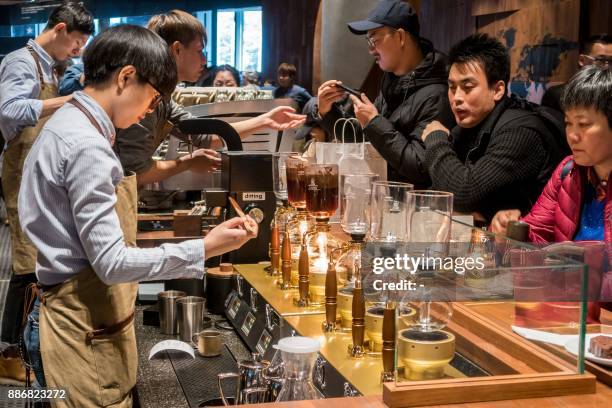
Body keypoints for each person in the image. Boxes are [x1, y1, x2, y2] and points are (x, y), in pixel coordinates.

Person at [19, 24, 258, 406]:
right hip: (79, 327)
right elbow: (112, 264)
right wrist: (204, 247)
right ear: (126, 76)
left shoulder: (70, 125)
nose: (151, 110)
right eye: (151, 98)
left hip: (67, 314)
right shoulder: (87, 146)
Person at [0, 2, 93, 384]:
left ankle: (25, 350)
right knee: (25, 263)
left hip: (37, 169)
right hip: (20, 170)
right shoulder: (21, 62)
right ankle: (8, 355)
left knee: (34, 260)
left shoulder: (48, 66)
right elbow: (9, 110)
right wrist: (71, 100)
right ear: (58, 29)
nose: (78, 50)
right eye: (76, 41)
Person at [115, 10, 305, 187]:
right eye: (200, 51)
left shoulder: (163, 99)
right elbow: (136, 173)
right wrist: (187, 163)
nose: (205, 60)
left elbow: (206, 136)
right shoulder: (143, 97)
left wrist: (265, 120)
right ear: (177, 50)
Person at [492, 66, 612, 318]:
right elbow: (537, 236)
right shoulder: (567, 171)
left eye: (584, 124)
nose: (572, 135)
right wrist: (512, 232)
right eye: (568, 123)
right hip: (567, 312)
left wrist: (569, 284)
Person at [421, 33, 565, 223]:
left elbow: (464, 194)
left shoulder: (522, 131)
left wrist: (437, 139)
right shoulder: (469, 126)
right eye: (452, 87)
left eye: (468, 87)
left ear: (497, 90)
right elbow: (439, 189)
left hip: (532, 248)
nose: (456, 97)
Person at [314, 0, 454, 187]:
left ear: (400, 37)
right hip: (383, 199)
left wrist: (374, 123)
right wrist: (326, 112)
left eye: (374, 39)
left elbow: (420, 166)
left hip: (414, 207)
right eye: (368, 41)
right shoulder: (392, 82)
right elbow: (363, 139)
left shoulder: (437, 94)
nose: (370, 49)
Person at [541, 34, 611, 112]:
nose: (607, 66)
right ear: (582, 60)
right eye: (600, 60)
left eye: (611, 61)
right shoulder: (558, 95)